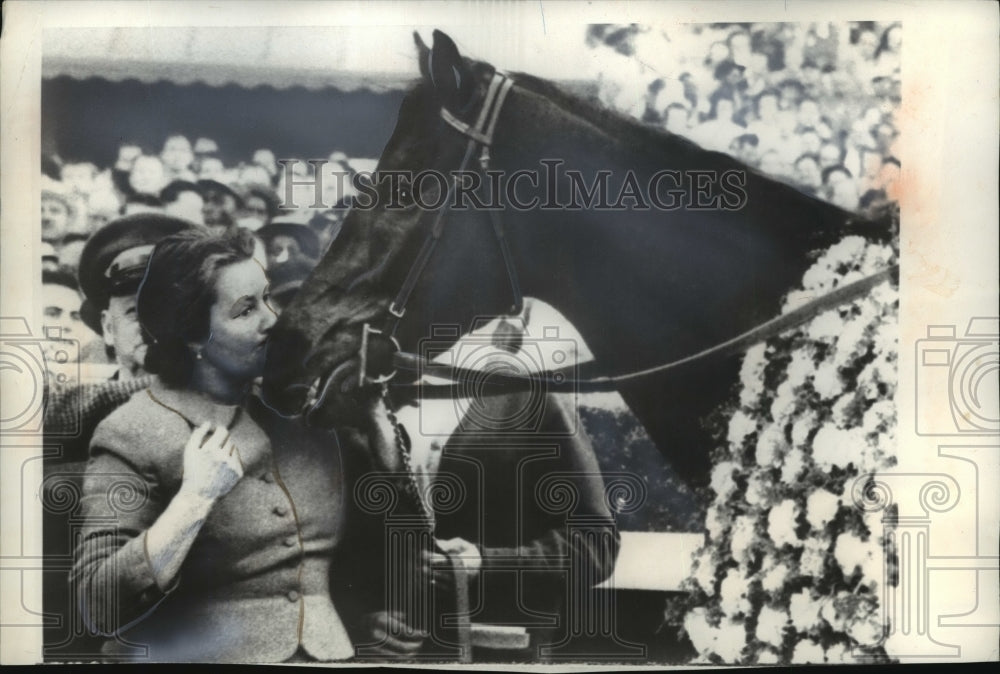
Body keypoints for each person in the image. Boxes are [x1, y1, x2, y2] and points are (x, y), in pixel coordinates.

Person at [70, 227, 413, 662]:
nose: (272, 319)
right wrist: (194, 501)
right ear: (193, 334)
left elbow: (386, 555)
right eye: (245, 309)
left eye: (267, 298)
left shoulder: (305, 414)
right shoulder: (133, 431)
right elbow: (97, 607)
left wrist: (381, 437)